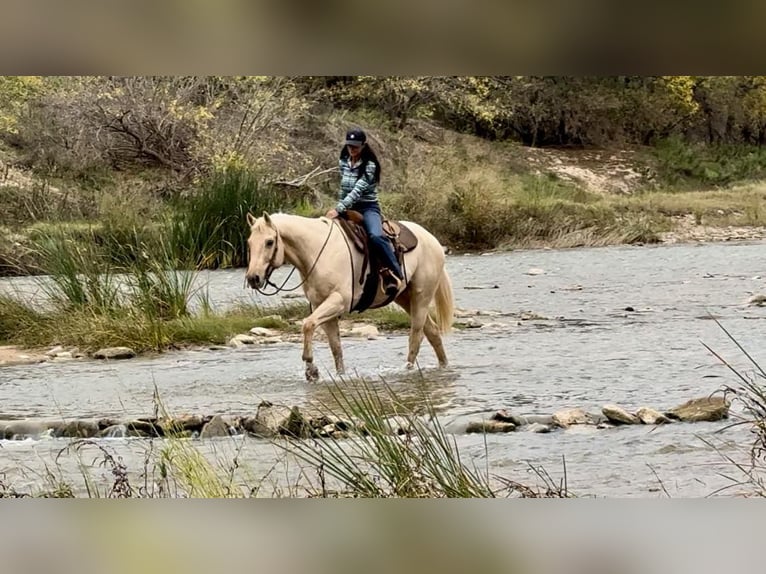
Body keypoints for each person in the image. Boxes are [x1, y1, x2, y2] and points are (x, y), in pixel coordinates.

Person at [325, 128, 403, 296]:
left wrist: (338, 209)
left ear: (363, 146)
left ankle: (395, 271)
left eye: (355, 147)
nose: (352, 149)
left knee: (375, 236)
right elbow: (344, 189)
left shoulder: (370, 166)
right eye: (349, 146)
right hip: (348, 207)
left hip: (368, 207)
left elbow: (357, 191)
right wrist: (339, 207)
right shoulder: (344, 161)